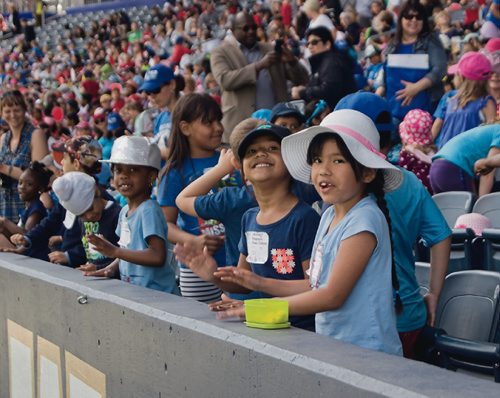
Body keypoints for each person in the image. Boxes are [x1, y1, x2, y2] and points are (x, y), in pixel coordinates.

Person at [181, 110, 404, 355]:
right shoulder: (330, 215)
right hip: (337, 347)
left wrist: (257, 308)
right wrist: (256, 283)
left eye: (338, 161)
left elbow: (331, 296)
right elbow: (314, 285)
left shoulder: (364, 219)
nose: (324, 170)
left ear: (368, 172)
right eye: (318, 161)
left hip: (367, 353)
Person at [175, 124, 320, 330]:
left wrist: (260, 285)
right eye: (251, 151)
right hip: (259, 324)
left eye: (272, 148)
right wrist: (213, 275)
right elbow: (242, 284)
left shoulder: (304, 218)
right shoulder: (249, 218)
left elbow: (314, 288)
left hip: (300, 332)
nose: (260, 154)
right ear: (241, 169)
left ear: (290, 163)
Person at [84, 136, 180, 295]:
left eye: (133, 170)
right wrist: (110, 269)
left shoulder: (149, 210)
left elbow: (157, 256)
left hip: (159, 297)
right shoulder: (124, 212)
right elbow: (126, 250)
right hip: (140, 294)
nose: (123, 176)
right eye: (118, 170)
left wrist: (114, 251)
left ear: (151, 176)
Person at [158, 94, 230, 303]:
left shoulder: (230, 160)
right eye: (208, 122)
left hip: (238, 263)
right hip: (197, 267)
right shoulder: (174, 172)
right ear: (185, 128)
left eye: (219, 120)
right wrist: (194, 241)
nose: (218, 127)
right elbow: (165, 224)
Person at [210, 11, 308, 142]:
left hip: (276, 126)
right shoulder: (220, 52)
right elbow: (225, 80)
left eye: (254, 27)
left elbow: (302, 79)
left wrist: (292, 61)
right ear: (233, 30)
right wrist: (259, 66)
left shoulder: (269, 49)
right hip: (241, 126)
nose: (251, 31)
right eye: (245, 28)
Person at [6, 136, 104, 266]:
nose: (62, 163)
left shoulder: (100, 201)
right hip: (65, 264)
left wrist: (70, 256)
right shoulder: (68, 192)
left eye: (65, 158)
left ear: (76, 164)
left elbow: (99, 243)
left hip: (85, 270)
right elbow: (50, 223)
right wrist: (27, 239)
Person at [380, 0, 447, 120]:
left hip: (425, 115)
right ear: (401, 19)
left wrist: (416, 88)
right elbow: (384, 78)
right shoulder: (392, 46)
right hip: (395, 114)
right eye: (409, 16)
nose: (414, 20)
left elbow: (440, 69)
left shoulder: (431, 41)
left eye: (418, 17)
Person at [52, 172, 121, 271]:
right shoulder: (82, 221)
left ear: (97, 192)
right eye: (82, 215)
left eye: (90, 209)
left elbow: (124, 254)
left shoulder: (116, 215)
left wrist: (99, 268)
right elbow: (87, 249)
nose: (89, 216)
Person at [0, 90, 48, 222]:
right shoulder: (3, 138)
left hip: (29, 208)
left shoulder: (36, 134)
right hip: (5, 203)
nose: (13, 115)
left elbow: (39, 175)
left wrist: (4, 168)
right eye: (8, 111)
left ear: (24, 110)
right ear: (2, 113)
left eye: (17, 110)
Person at [433, 52, 496, 149]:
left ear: (462, 77)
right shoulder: (449, 97)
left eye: (455, 75)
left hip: (468, 158)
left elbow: (491, 134)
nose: (453, 79)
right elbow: (436, 127)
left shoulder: (485, 102)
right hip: (443, 154)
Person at [291, 26, 356, 110]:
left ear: (327, 44)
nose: (310, 46)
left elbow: (330, 89)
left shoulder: (332, 62)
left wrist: (302, 92)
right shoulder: (322, 61)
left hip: (340, 111)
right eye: (308, 43)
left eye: (314, 42)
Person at [430, 124, 500, 196]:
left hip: (436, 167)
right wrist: (481, 203)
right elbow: (487, 173)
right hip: (453, 167)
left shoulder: (491, 129)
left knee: (446, 207)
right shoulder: (499, 132)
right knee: (471, 205)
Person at [0, 161, 51, 248]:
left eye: (29, 184)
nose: (22, 187)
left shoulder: (37, 209)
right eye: (20, 183)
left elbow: (27, 236)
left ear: (40, 188)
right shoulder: (29, 206)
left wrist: (5, 222)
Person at [398, 109, 436, 193]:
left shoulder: (406, 154)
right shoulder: (434, 153)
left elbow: (402, 180)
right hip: (432, 194)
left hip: (414, 194)